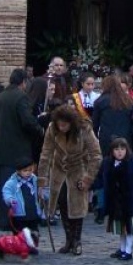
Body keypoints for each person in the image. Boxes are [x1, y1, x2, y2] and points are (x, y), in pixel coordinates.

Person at [38, 103, 102, 256]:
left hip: (78, 169)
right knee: (63, 203)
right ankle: (69, 240)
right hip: (59, 170)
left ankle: (77, 241)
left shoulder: (84, 129)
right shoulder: (52, 129)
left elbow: (96, 154)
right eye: (59, 125)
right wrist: (42, 179)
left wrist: (88, 178)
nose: (62, 128)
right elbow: (46, 153)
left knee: (77, 206)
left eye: (65, 125)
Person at [0, 68, 45, 229]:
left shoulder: (0, 97)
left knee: (3, 188)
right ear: (23, 83)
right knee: (15, 188)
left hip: (0, 150)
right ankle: (14, 220)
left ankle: (3, 219)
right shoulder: (21, 97)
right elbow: (27, 121)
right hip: (17, 152)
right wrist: (40, 129)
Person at [91, 73, 133, 224]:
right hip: (125, 143)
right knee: (125, 174)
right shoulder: (128, 101)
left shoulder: (101, 101)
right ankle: (125, 204)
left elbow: (94, 126)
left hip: (107, 143)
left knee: (104, 174)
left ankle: (101, 208)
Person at [92, 136, 133, 260]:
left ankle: (128, 251)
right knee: (121, 230)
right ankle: (122, 249)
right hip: (116, 203)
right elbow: (101, 181)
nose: (119, 151)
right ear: (112, 151)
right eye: (116, 149)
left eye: (122, 149)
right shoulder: (108, 164)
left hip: (130, 203)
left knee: (129, 229)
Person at [0, 156, 45, 233]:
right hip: (19, 215)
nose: (28, 172)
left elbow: (40, 188)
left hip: (33, 213)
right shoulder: (12, 182)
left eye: (30, 170)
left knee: (34, 234)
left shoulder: (34, 179)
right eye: (25, 170)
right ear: (18, 171)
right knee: (20, 235)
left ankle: (32, 244)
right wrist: (10, 200)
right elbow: (6, 192)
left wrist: (42, 192)